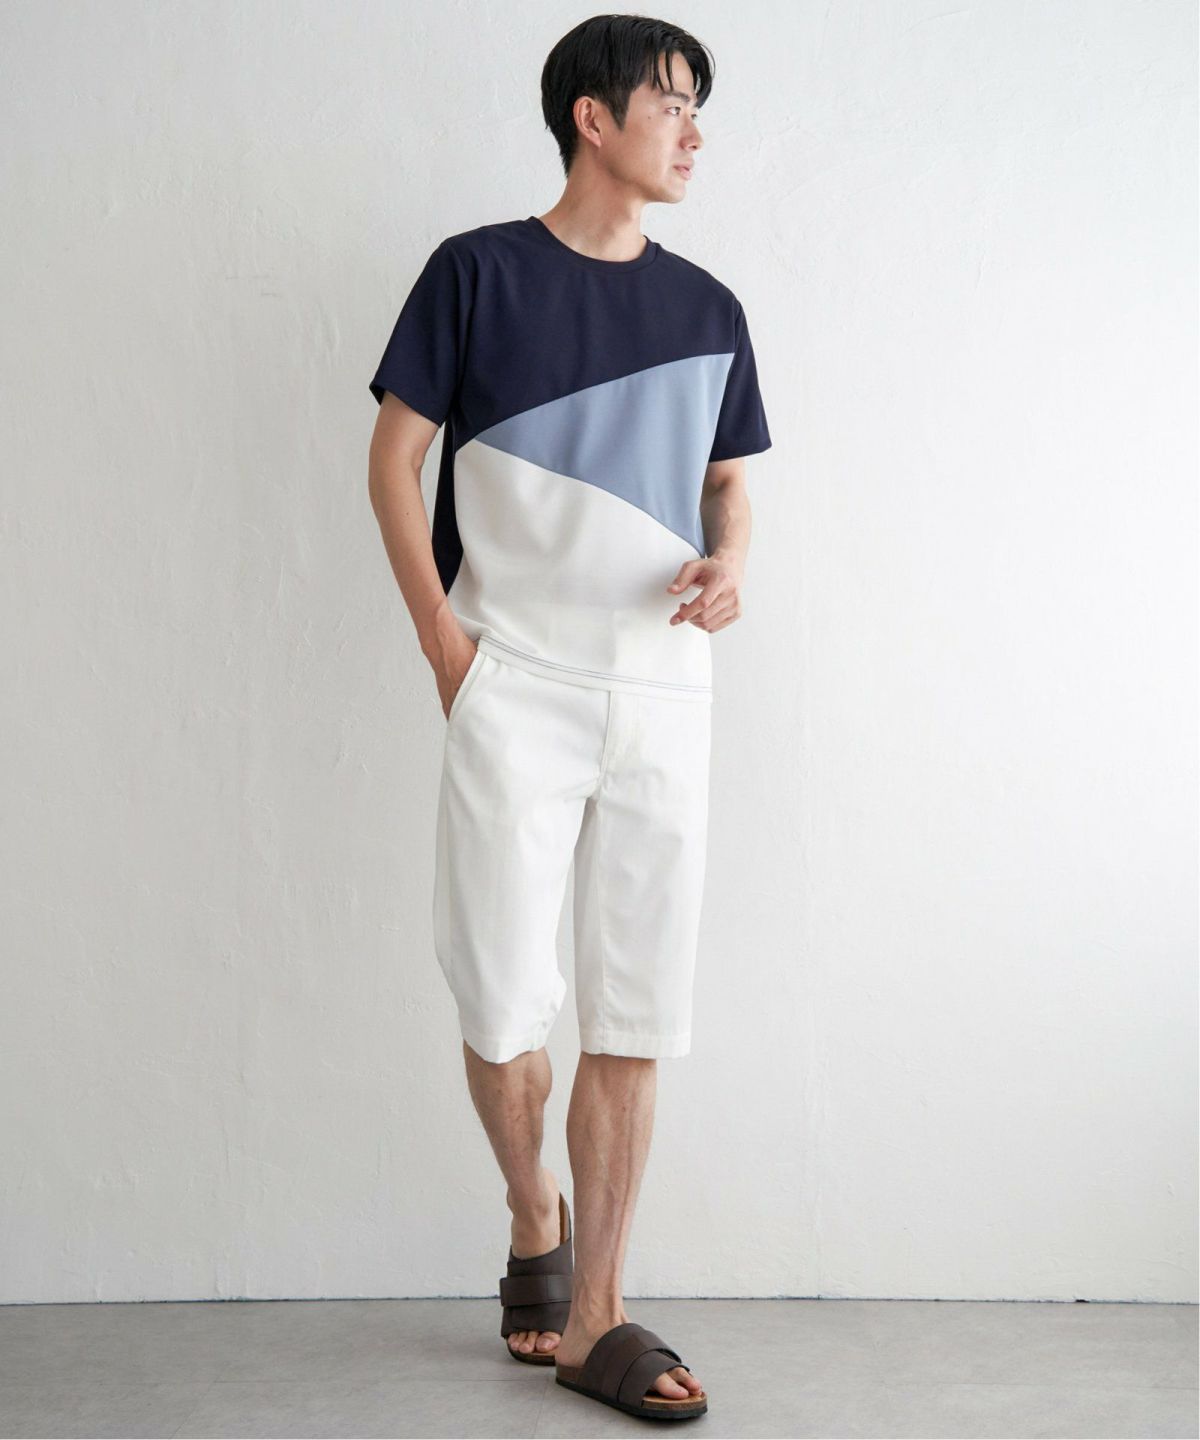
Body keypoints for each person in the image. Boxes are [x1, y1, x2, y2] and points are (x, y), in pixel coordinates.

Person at [367, 14, 770, 1422]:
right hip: (515, 680)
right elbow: (393, 458)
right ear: (592, 118)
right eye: (671, 103)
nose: (694, 132)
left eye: (698, 108)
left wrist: (733, 559)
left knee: (636, 1005)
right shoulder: (476, 273)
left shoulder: (711, 309)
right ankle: (530, 1211)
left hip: (664, 685)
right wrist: (447, 646)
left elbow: (729, 480)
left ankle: (595, 1309)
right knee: (499, 999)